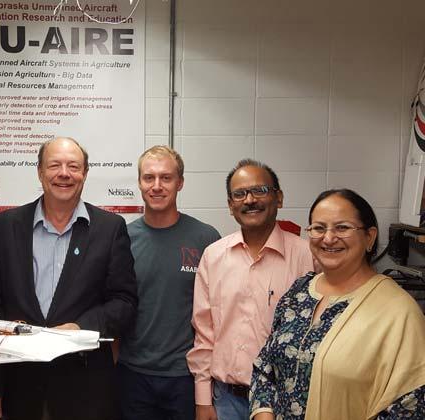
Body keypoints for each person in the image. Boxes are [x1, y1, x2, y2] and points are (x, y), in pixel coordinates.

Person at [0, 137, 138, 420]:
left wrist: (81, 327)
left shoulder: (110, 228)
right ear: (40, 171)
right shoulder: (4, 226)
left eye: (73, 166)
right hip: (18, 385)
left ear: (85, 173)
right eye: (54, 165)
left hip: (86, 387)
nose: (64, 173)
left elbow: (124, 302)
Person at [250, 189, 425, 420]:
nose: (328, 238)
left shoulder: (399, 312)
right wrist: (264, 414)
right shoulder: (299, 291)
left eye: (342, 228)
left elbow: (410, 405)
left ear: (370, 237)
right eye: (319, 228)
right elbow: (265, 366)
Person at [188, 159, 314, 420]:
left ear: (279, 198)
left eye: (260, 190)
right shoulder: (214, 256)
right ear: (230, 205)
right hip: (226, 401)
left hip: (286, 403)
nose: (250, 200)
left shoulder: (307, 257)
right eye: (240, 194)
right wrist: (203, 400)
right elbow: (204, 333)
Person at [117, 146, 220, 420]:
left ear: (180, 183)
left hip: (186, 377)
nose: (157, 186)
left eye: (166, 178)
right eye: (148, 178)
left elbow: (217, 314)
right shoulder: (123, 238)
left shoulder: (206, 238)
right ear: (139, 183)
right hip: (133, 374)